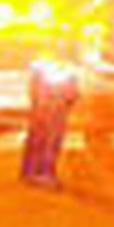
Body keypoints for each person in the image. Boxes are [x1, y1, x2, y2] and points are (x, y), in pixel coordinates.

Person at [21, 56, 79, 188]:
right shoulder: (42, 68)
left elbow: (72, 92)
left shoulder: (65, 69)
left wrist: (67, 101)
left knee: (46, 141)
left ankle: (35, 172)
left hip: (54, 110)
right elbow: (35, 92)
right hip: (47, 112)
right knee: (45, 141)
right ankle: (42, 173)